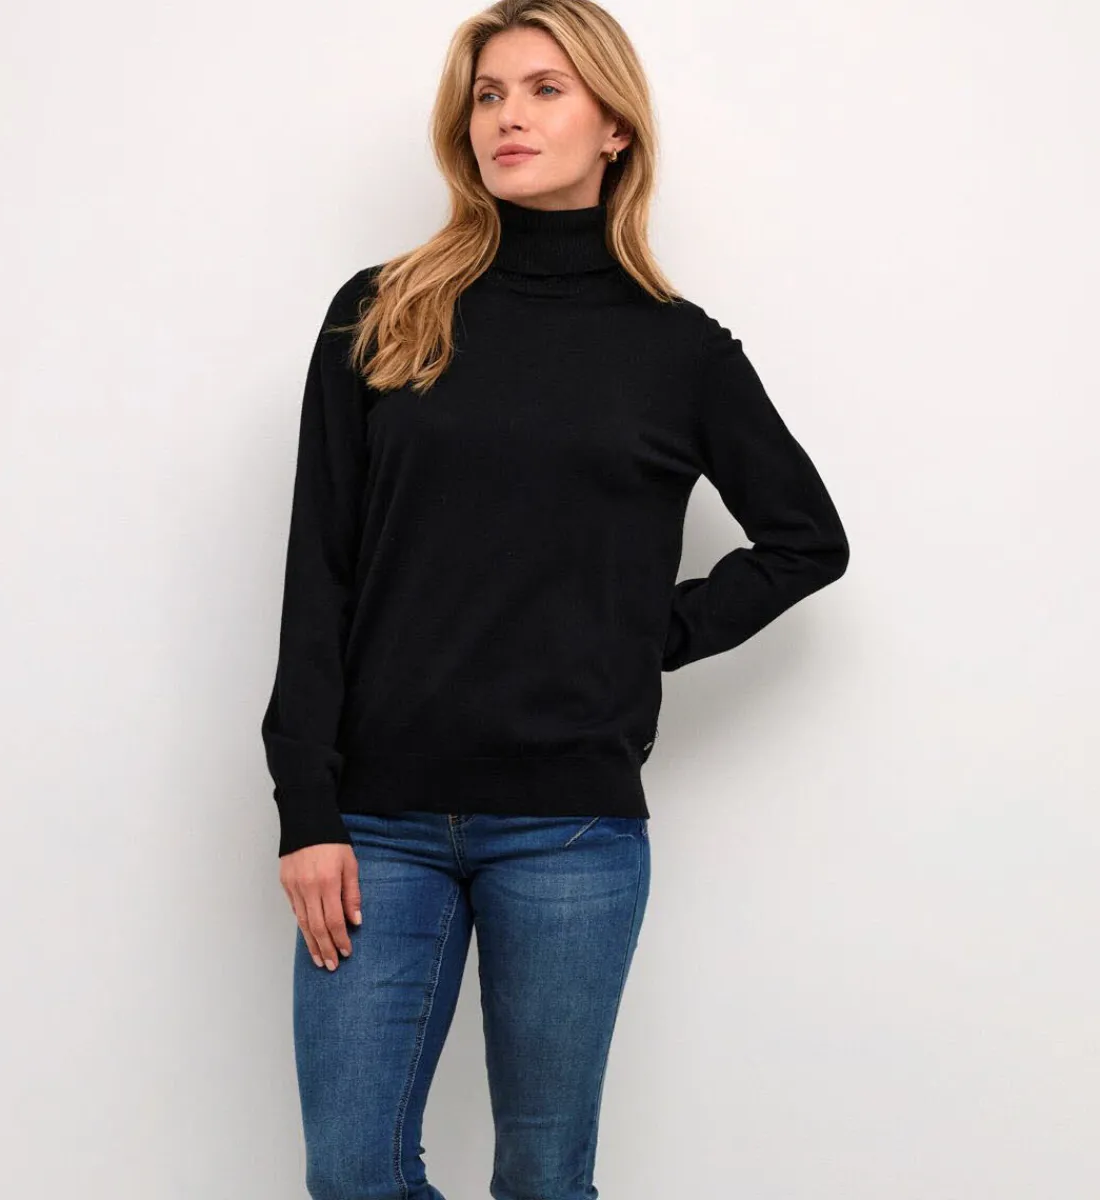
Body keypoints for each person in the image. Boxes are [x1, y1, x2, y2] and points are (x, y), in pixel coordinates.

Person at [260, 1, 849, 1196]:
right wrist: (306, 808)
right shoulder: (384, 309)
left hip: (569, 829)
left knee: (543, 1177)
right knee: (353, 1173)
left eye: (544, 89)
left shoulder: (678, 352)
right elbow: (318, 569)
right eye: (488, 94)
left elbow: (806, 541)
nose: (507, 117)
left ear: (614, 126)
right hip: (376, 826)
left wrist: (642, 637)